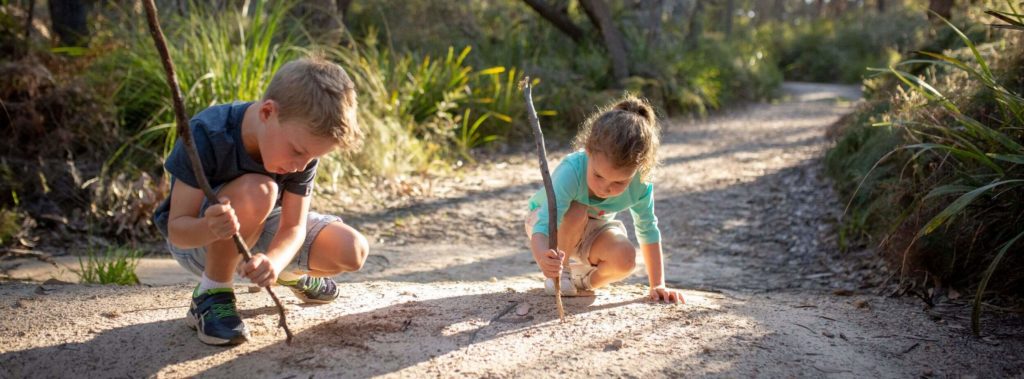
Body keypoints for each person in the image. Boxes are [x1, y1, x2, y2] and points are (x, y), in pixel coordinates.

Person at [152, 56, 369, 345]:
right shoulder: (208, 133)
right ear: (268, 112)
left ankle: (287, 274)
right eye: (297, 151)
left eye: (312, 157)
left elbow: (293, 227)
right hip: (199, 241)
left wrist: (275, 263)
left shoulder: (301, 151)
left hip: (260, 229)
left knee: (352, 250)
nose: (301, 166)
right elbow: (177, 231)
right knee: (262, 190)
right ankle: (212, 293)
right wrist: (209, 227)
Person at [525, 95, 685, 304]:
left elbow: (647, 228)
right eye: (598, 176)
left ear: (639, 168)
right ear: (588, 152)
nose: (604, 188)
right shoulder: (572, 171)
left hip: (593, 228)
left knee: (625, 258)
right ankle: (560, 275)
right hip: (548, 224)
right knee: (577, 209)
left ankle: (582, 280)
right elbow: (544, 224)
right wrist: (543, 258)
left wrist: (657, 284)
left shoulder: (641, 183)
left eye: (619, 182)